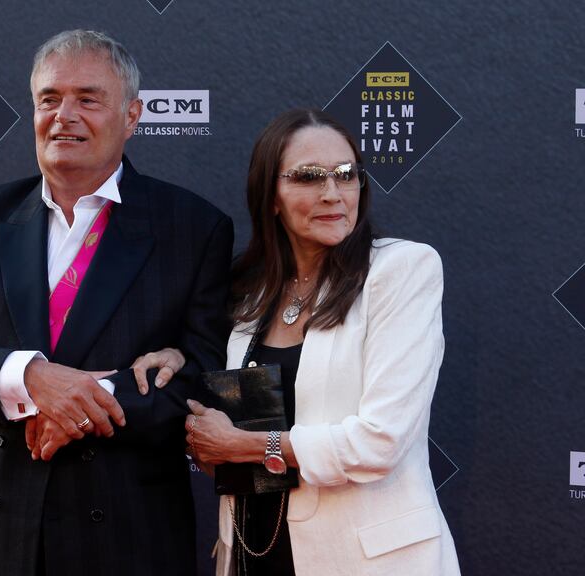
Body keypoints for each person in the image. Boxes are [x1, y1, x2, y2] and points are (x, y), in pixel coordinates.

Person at [0, 29, 233, 576]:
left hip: (128, 541)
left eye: (88, 99)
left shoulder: (193, 227)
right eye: (50, 99)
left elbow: (203, 376)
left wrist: (85, 403)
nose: (65, 115)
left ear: (131, 116)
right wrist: (33, 378)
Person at [146, 109, 460, 575]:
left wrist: (247, 445)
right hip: (253, 549)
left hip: (364, 561)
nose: (332, 193)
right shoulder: (248, 290)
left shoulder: (401, 270)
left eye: (346, 174)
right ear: (270, 196)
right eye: (308, 177)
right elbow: (217, 407)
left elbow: (380, 442)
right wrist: (177, 356)